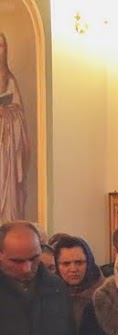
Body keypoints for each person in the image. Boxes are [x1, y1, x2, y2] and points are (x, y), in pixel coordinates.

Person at [0, 34, 29, 222]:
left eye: (0, 46)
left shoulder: (9, 80)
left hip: (6, 148)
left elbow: (19, 113)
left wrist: (7, 113)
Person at [53, 234, 104, 326]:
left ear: (89, 263)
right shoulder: (49, 295)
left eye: (79, 263)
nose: (73, 269)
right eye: (66, 264)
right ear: (57, 266)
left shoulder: (107, 296)